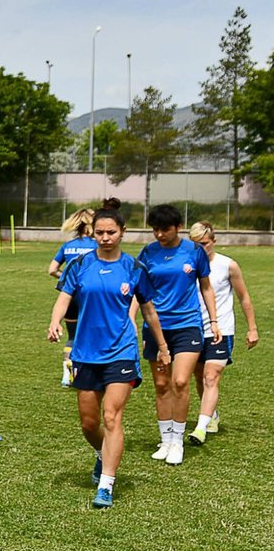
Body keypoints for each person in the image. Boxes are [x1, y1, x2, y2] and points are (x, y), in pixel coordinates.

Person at [47, 202, 168, 508]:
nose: (104, 237)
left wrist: (163, 347)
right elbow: (64, 299)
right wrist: (54, 322)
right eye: (99, 232)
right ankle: (102, 454)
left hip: (121, 352)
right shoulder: (80, 266)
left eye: (111, 232)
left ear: (122, 232)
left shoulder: (134, 269)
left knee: (112, 417)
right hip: (86, 353)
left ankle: (106, 485)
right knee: (89, 424)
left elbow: (150, 312)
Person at [137, 204, 219, 466]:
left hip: (187, 325)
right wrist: (129, 320)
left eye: (165, 229)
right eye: (155, 229)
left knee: (181, 382)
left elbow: (206, 288)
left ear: (178, 227)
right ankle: (166, 439)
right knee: (162, 385)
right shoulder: (148, 253)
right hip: (156, 327)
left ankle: (178, 441)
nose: (159, 234)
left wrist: (214, 321)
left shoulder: (194, 252)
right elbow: (140, 292)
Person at [186, 221, 259, 445]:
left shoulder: (228, 265)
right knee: (199, 377)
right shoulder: (185, 266)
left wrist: (252, 328)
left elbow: (243, 297)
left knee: (211, 376)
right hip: (192, 329)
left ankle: (200, 428)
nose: (201, 249)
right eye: (196, 244)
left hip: (222, 329)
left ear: (214, 242)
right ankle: (212, 415)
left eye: (205, 244)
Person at [47, 208, 98, 387]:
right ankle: (87, 372)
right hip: (90, 297)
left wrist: (67, 279)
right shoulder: (97, 246)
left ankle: (66, 375)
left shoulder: (68, 246)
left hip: (69, 297)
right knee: (93, 335)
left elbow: (52, 270)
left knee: (72, 336)